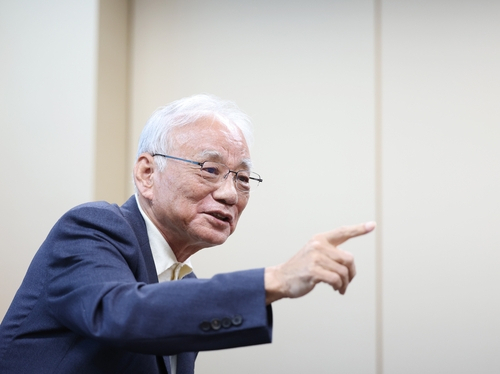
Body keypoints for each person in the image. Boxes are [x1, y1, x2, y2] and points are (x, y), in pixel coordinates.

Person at [0, 94, 375, 374]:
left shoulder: (184, 286)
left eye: (243, 178)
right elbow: (121, 313)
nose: (230, 194)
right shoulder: (92, 228)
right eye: (210, 169)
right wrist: (275, 279)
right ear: (147, 174)